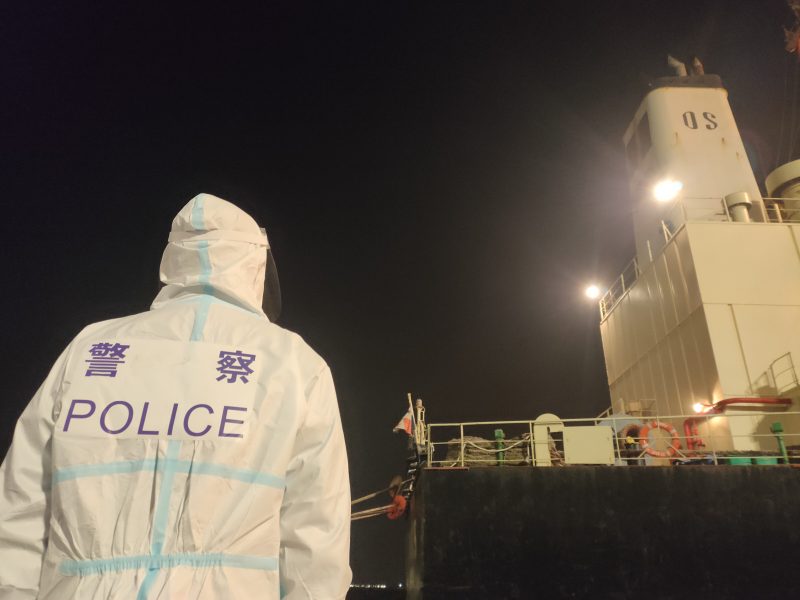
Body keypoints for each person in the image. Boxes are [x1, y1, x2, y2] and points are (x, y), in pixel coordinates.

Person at [0, 193, 351, 599]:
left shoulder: (89, 349)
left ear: (174, 260)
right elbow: (316, 543)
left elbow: (20, 509)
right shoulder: (294, 364)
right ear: (256, 264)